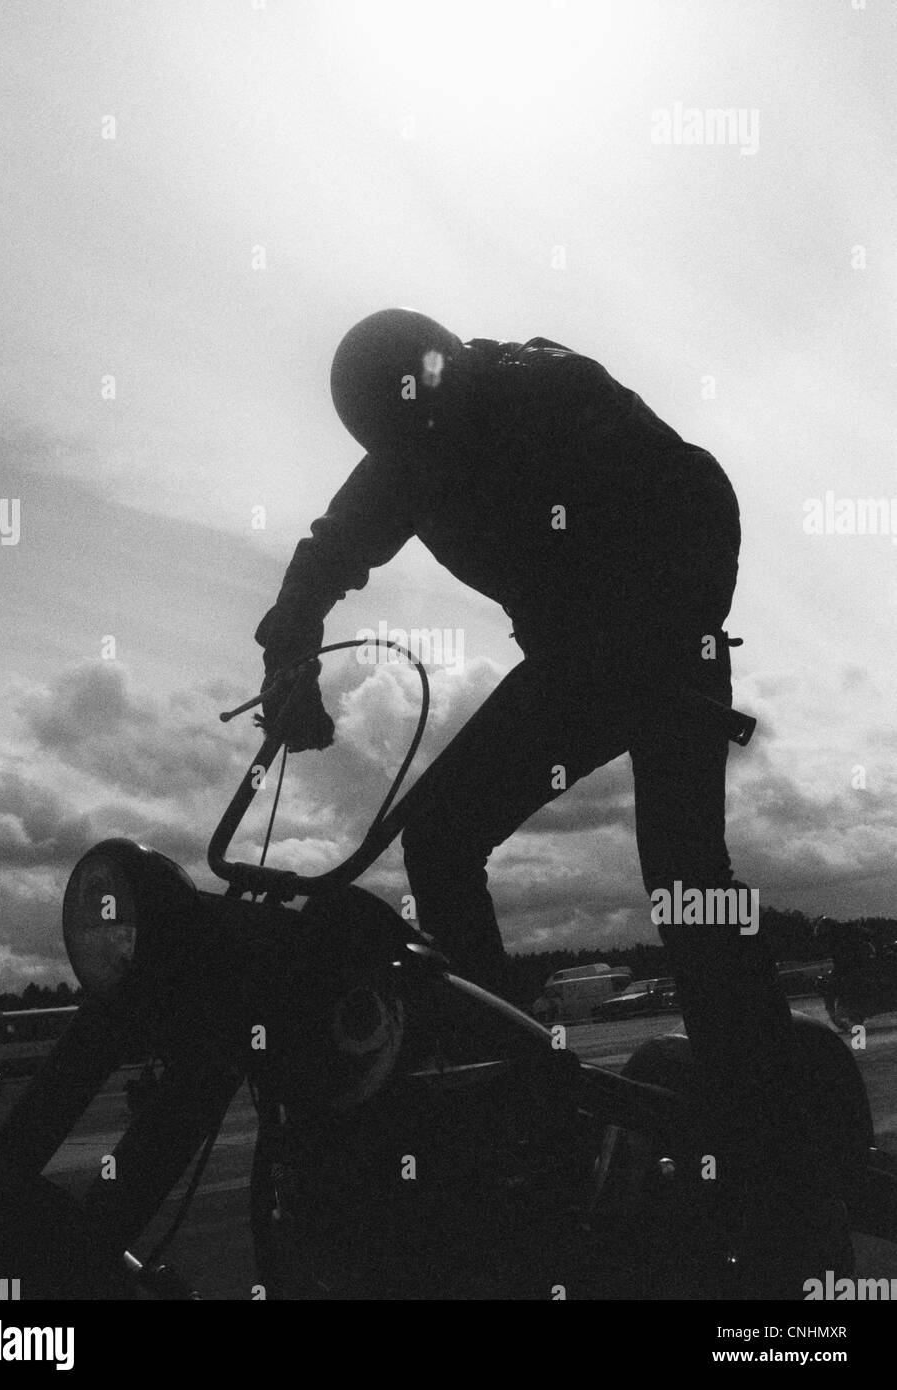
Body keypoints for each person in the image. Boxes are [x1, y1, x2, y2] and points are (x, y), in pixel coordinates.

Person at [254, 308, 833, 1295]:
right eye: (405, 450)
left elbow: (697, 488)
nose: (420, 458)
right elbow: (328, 548)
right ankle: (522, 1091)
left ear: (446, 380)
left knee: (683, 871)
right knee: (436, 839)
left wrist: (673, 621)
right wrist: (285, 651)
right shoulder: (410, 454)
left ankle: (759, 1119)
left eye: (427, 432)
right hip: (575, 656)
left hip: (662, 640)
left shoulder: (540, 388)